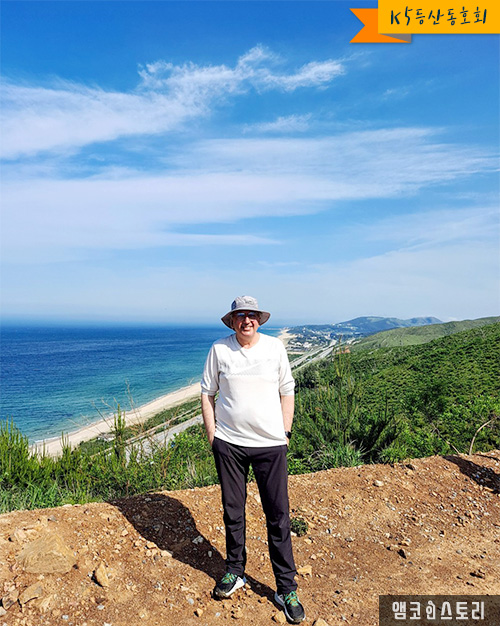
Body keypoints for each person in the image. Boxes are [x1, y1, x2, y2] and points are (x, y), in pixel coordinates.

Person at [201, 295, 305, 624]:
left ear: (259, 320)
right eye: (240, 315)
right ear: (232, 321)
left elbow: (287, 389)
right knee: (233, 512)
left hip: (270, 445)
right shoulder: (219, 349)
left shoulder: (275, 348)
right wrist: (214, 437)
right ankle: (235, 572)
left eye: (252, 315)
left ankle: (286, 588)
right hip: (230, 445)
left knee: (278, 516)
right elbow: (207, 392)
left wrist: (285, 434)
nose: (246, 320)